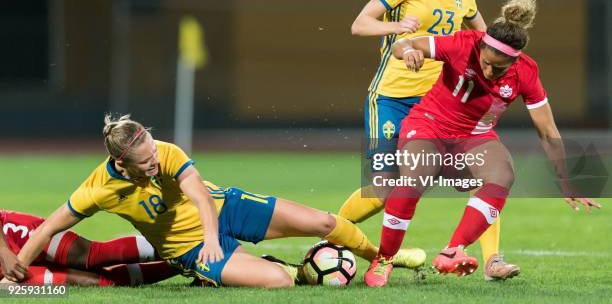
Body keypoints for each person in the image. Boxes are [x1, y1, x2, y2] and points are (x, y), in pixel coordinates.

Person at [2, 114, 421, 289]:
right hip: (187, 250)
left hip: (224, 210)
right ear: (120, 163)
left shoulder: (164, 151)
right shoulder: (97, 189)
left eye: (153, 152)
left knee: (326, 224)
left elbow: (200, 195)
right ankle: (292, 269)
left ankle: (380, 258)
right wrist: (19, 267)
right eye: (144, 162)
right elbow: (50, 225)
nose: (154, 162)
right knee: (280, 283)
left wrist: (212, 237)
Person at [363, 0, 602, 287]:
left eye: (498, 69)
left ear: (515, 61)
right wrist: (407, 51)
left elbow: (548, 131)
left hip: (473, 137)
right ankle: (384, 258)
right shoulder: (464, 42)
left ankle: (453, 250)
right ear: (482, 46)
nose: (489, 72)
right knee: (413, 179)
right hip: (429, 124)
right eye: (486, 63)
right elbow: (405, 43)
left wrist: (565, 180)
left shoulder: (526, 71)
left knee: (502, 174)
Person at [339, 0, 515, 280]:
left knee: (483, 178)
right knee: (385, 188)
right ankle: (332, 233)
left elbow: (486, 42)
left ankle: (492, 260)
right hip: (393, 97)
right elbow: (359, 24)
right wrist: (399, 27)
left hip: (442, 107)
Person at [0, 209, 177, 286]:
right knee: (95, 283)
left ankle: (183, 246)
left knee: (91, 255)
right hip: (3, 282)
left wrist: (4, 252)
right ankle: (183, 265)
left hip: (9, 234)